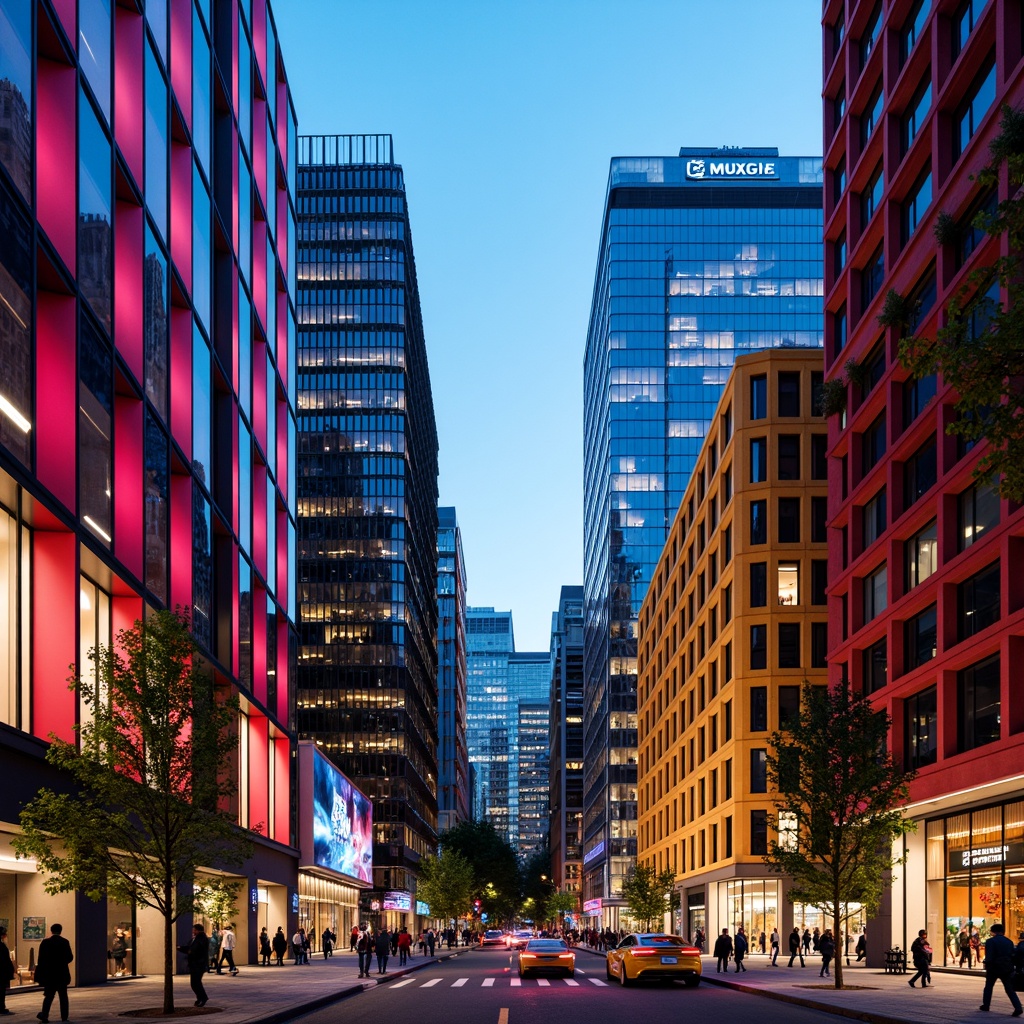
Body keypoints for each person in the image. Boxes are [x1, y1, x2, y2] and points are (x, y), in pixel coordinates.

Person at [980, 922, 1023, 1015]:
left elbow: (990, 955)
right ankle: (1018, 1007)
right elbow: (1013, 955)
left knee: (988, 987)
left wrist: (986, 964)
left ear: (993, 931)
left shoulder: (990, 941)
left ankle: (986, 1005)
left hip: (994, 967)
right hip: (1007, 968)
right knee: (1010, 989)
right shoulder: (1009, 942)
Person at [35, 923, 74, 1023]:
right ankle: (64, 1017)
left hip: (50, 974)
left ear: (51, 931)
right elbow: (70, 957)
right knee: (63, 996)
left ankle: (45, 1015)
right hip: (62, 973)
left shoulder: (45, 943)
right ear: (60, 931)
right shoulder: (65, 942)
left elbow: (41, 959)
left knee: (48, 996)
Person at [179, 924, 210, 1008]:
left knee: (195, 983)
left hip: (198, 964)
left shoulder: (201, 938)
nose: (193, 931)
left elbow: (194, 950)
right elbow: (190, 948)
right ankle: (200, 998)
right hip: (195, 964)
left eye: (194, 930)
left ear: (198, 930)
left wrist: (188, 951)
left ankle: (203, 998)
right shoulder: (196, 938)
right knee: (195, 983)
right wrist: (181, 948)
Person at [0, 925, 14, 1015]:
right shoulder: (2, 946)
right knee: (1, 990)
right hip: (2, 972)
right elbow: (6, 960)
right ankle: (1, 1007)